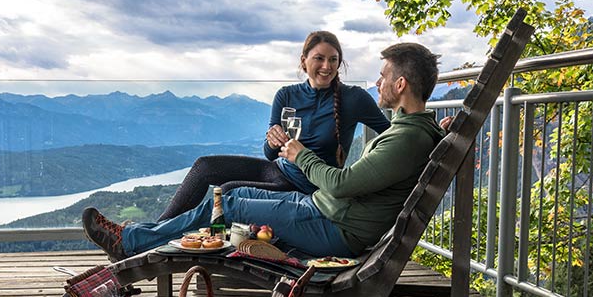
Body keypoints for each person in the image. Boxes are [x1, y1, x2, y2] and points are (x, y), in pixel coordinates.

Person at [84, 42, 450, 262]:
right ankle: (141, 235)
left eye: (384, 76)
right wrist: (436, 129)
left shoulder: (407, 137)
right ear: (304, 61)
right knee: (235, 193)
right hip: (322, 209)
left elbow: (342, 185)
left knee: (227, 206)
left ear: (401, 84)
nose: (377, 82)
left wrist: (299, 154)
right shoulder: (413, 131)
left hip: (335, 227)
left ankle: (132, 241)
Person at [156, 30, 390, 220]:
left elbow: (391, 136)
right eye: (319, 58)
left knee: (228, 191)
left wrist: (362, 176)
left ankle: (172, 243)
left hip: (309, 185)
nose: (327, 66)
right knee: (204, 166)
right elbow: (269, 154)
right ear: (304, 61)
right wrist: (271, 140)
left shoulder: (354, 98)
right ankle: (157, 231)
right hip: (277, 170)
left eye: (333, 60)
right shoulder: (286, 95)